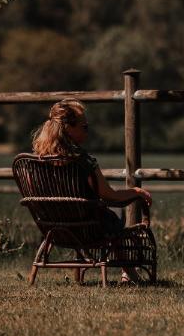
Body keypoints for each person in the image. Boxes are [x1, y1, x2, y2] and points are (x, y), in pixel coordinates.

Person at [31, 99, 152, 281]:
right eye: (84, 127)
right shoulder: (82, 161)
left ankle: (126, 272)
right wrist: (136, 192)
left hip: (52, 226)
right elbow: (109, 195)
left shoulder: (36, 161)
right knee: (113, 219)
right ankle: (129, 272)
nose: (87, 131)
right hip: (90, 226)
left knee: (108, 217)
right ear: (68, 129)